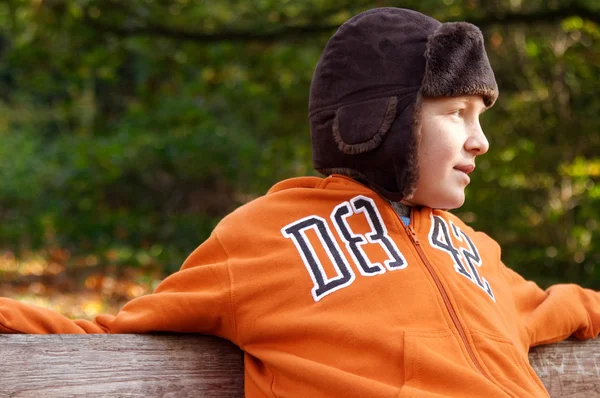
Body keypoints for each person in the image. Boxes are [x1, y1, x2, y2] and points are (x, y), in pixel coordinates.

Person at [0, 7, 598, 397]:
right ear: (379, 120)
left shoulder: (476, 253)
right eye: (456, 113)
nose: (481, 139)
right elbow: (109, 331)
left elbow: (564, 306)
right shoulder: (262, 238)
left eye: (480, 116)